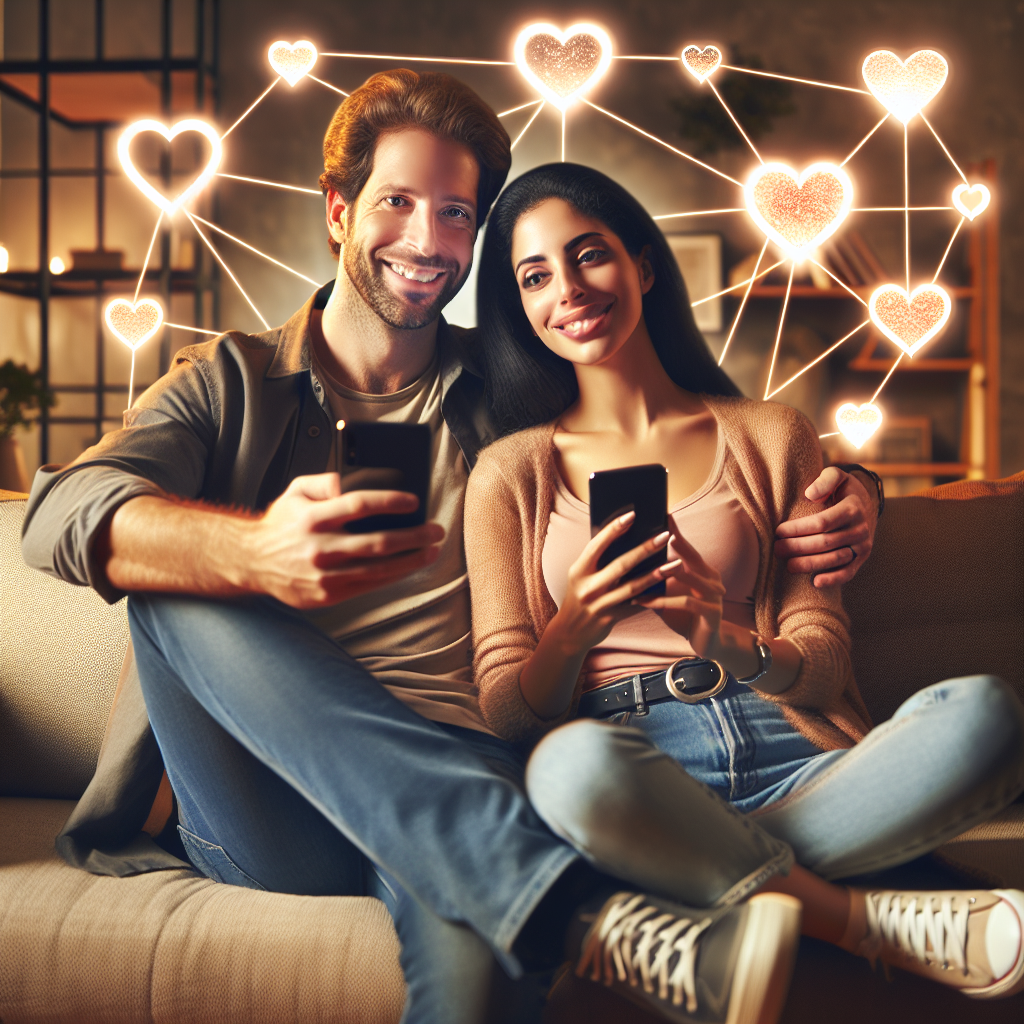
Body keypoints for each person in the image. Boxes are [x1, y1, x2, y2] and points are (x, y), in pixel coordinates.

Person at [21, 72, 875, 1024]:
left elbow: (681, 421)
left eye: (458, 214)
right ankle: (573, 905)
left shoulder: (511, 388)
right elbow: (57, 515)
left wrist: (854, 493)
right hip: (271, 804)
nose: (428, 242)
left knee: (472, 992)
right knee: (178, 582)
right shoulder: (230, 382)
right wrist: (258, 551)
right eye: (397, 202)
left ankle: (540, 899)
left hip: (473, 774)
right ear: (339, 210)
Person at [464, 161, 1024, 1002]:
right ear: (521, 311)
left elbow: (822, 662)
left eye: (589, 256)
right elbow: (507, 707)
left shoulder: (772, 435)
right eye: (535, 276)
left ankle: (689, 871)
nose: (568, 290)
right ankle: (857, 917)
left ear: (644, 265)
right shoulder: (509, 473)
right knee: (567, 768)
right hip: (632, 764)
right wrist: (573, 625)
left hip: (798, 755)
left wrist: (723, 636)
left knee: (987, 714)